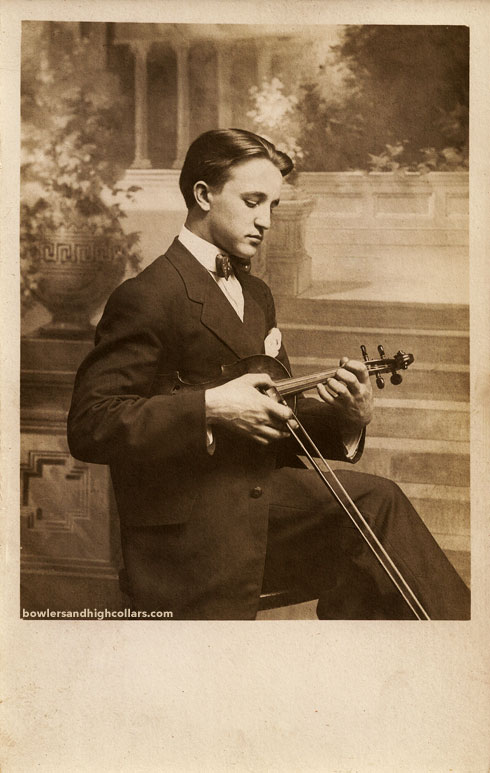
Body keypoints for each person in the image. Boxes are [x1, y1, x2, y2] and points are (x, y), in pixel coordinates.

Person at [67, 128, 470, 620]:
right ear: (203, 195)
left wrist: (348, 420)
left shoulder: (256, 295)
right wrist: (212, 407)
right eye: (252, 201)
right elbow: (91, 424)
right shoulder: (146, 296)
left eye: (273, 206)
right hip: (190, 531)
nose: (266, 221)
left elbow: (280, 421)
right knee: (376, 503)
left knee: (371, 564)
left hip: (253, 506)